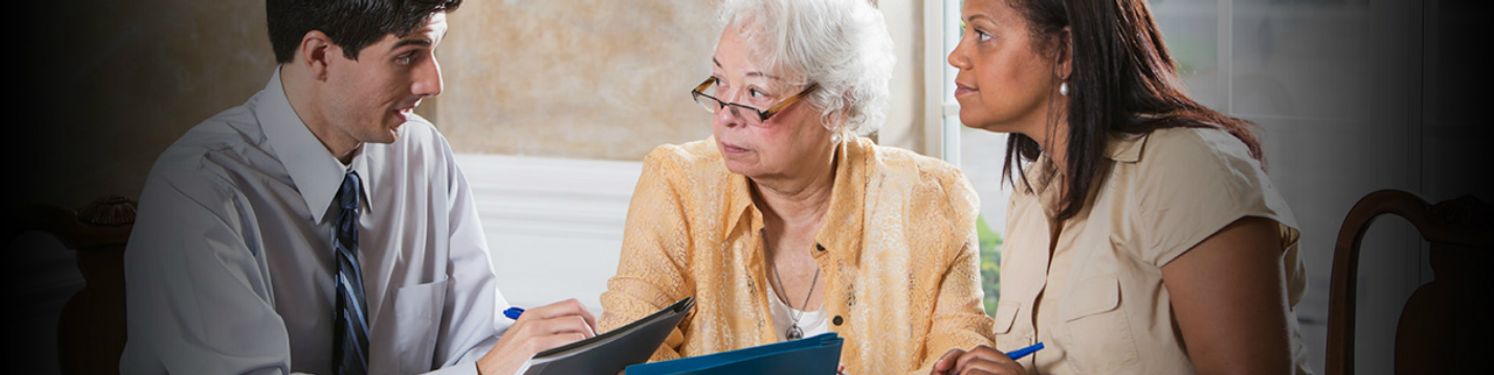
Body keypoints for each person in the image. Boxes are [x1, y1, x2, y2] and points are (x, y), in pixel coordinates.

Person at [121, 1, 596, 374]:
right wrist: (482, 372)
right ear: (319, 56)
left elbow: (477, 339)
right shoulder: (196, 193)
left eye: (436, 49)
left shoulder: (423, 156)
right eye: (408, 54)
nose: (434, 82)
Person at [597, 0, 996, 374]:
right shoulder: (678, 183)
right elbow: (628, 355)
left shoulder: (931, 198)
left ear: (837, 104)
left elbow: (959, 350)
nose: (726, 116)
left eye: (756, 93)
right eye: (720, 82)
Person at [933, 0, 1312, 374]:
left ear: (1065, 51)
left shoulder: (1188, 171)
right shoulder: (1032, 195)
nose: (956, 55)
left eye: (982, 33)